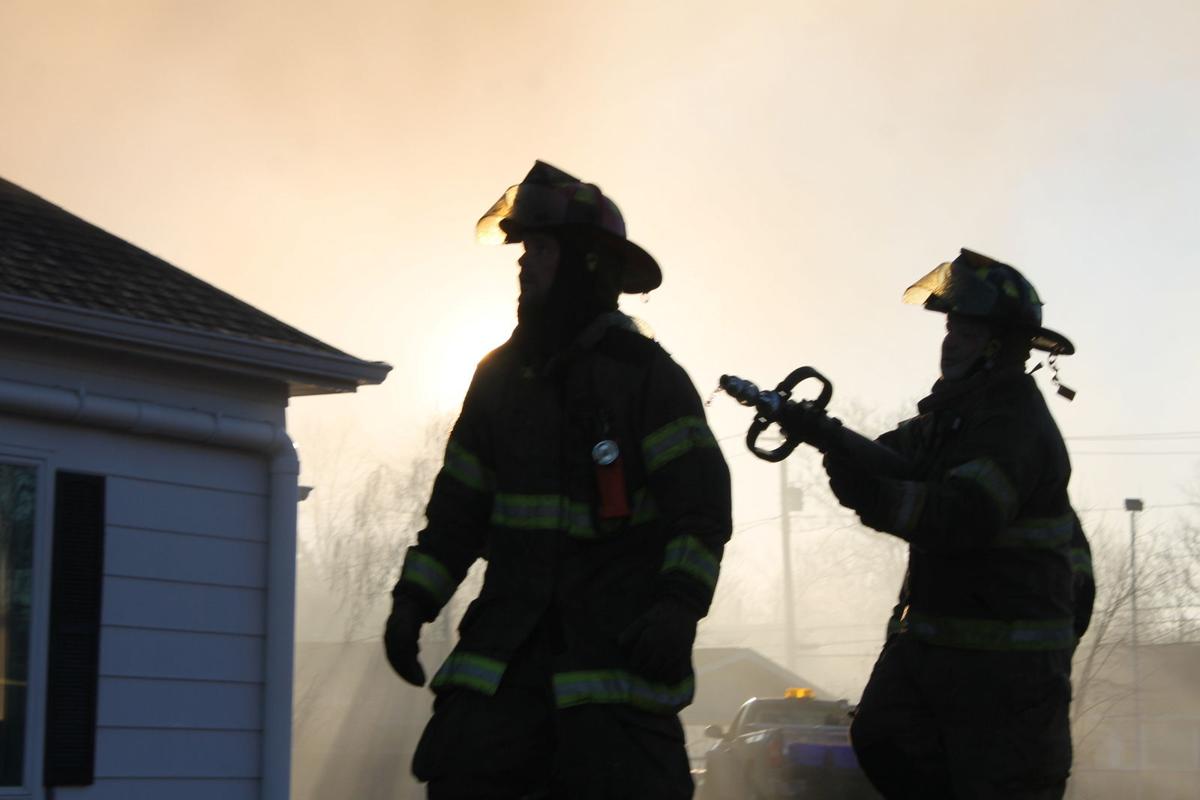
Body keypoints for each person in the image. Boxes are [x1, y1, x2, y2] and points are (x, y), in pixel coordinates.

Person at [383, 161, 732, 799]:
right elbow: (457, 513)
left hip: (611, 670)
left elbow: (700, 512)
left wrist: (679, 607)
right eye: (524, 250)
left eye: (541, 248)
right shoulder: (497, 378)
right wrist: (414, 602)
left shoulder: (647, 379)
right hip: (504, 669)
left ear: (587, 265)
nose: (524, 264)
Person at [812, 249, 1089, 799]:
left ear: (995, 345)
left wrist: (876, 494)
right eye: (948, 328)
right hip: (944, 663)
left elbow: (964, 517)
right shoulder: (952, 419)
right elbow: (888, 457)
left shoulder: (1012, 424)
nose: (948, 342)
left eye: (962, 331)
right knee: (882, 737)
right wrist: (828, 439)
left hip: (1009, 680)